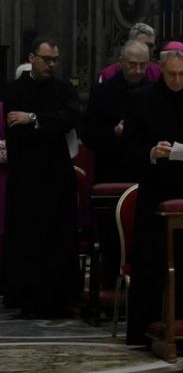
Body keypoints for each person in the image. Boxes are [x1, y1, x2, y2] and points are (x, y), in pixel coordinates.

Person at [122, 43, 183, 344]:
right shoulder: (141, 99)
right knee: (151, 264)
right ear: (160, 70)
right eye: (171, 74)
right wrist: (152, 152)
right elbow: (128, 149)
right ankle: (144, 329)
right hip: (157, 194)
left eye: (182, 74)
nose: (177, 80)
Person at [2, 38, 81, 317]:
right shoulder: (13, 90)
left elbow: (70, 117)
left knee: (57, 235)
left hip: (56, 173)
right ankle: (27, 297)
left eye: (56, 60)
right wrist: (45, 122)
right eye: (47, 59)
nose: (52, 65)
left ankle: (59, 297)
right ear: (32, 57)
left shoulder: (63, 88)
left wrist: (34, 118)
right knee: (27, 236)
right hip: (26, 174)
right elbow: (15, 126)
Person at [84, 39, 151, 182]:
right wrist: (114, 132)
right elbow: (88, 136)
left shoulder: (155, 92)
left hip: (146, 172)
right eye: (132, 65)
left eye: (143, 65)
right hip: (111, 170)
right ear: (121, 61)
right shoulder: (102, 92)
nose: (138, 70)